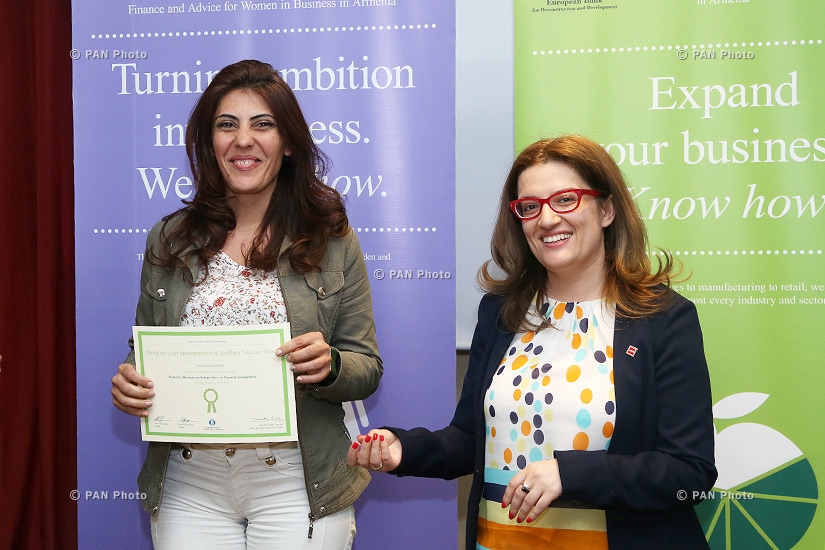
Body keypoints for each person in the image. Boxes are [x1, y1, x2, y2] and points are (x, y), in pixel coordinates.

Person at [348, 135, 716, 549]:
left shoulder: (662, 318)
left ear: (607, 210)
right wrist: (405, 449)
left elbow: (690, 473)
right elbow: (471, 439)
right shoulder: (501, 312)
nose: (547, 219)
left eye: (566, 200)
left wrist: (568, 474)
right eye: (530, 207)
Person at [111, 59, 382, 549]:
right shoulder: (168, 239)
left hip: (298, 479)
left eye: (262, 124)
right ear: (208, 141)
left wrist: (331, 365)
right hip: (189, 481)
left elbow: (366, 366)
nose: (243, 140)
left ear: (289, 141)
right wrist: (132, 383)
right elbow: (145, 351)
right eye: (226, 125)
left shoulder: (331, 240)